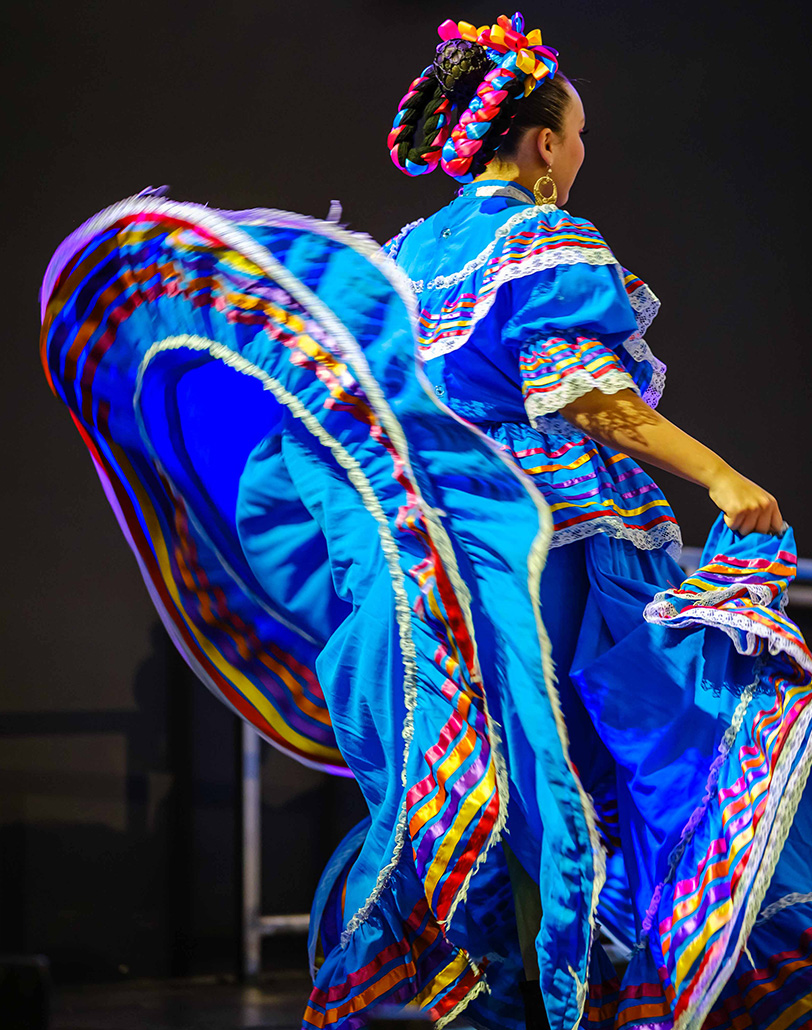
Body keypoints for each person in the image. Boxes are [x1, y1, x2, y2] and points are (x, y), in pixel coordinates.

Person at [39, 12, 812, 1030]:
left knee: (483, 793)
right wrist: (721, 478)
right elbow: (585, 389)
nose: (578, 154)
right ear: (540, 142)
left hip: (429, 565)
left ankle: (489, 997)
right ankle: (605, 994)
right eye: (575, 135)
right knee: (613, 776)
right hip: (558, 550)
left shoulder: (404, 254)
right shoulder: (544, 235)